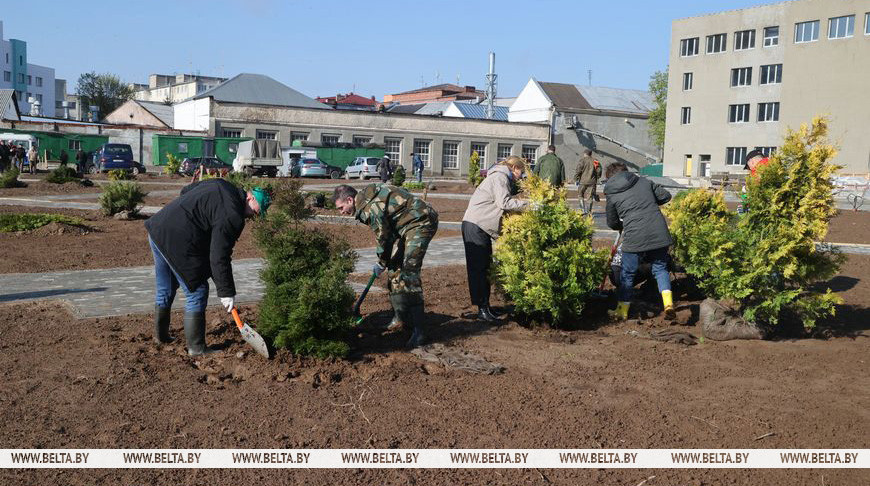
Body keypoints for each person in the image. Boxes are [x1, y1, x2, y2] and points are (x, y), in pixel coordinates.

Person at [144, 178, 271, 356]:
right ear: (250, 198)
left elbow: (186, 190)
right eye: (255, 212)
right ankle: (197, 348)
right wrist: (226, 292)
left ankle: (161, 337)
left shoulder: (222, 184)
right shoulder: (233, 214)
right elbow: (219, 255)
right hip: (178, 240)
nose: (253, 216)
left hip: (159, 228)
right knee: (197, 291)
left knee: (167, 287)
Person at [332, 182, 438, 347]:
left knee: (409, 272)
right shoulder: (367, 199)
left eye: (341, 208)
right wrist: (386, 261)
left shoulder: (370, 207)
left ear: (350, 200)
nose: (342, 212)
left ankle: (419, 331)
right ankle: (399, 318)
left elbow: (384, 236)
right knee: (394, 268)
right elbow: (389, 228)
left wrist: (381, 261)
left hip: (421, 221)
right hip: (407, 225)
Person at [603, 162, 675, 321]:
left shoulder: (611, 192)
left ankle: (622, 311)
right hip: (658, 231)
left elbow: (612, 222)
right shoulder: (644, 181)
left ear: (610, 178)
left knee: (627, 273)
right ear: (626, 172)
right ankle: (668, 304)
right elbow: (665, 196)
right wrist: (648, 203)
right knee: (660, 269)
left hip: (634, 235)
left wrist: (622, 224)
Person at [462, 156, 529, 322]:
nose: (521, 176)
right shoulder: (500, 177)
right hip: (475, 226)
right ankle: (482, 310)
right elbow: (504, 202)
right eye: (521, 172)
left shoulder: (501, 176)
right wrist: (530, 205)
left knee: (485, 267)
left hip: (479, 226)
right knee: (478, 268)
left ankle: (486, 307)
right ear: (514, 168)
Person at [574, 149, 602, 216]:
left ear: (584, 154)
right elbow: (599, 170)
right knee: (590, 197)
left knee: (580, 195)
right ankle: (589, 212)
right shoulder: (595, 160)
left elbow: (578, 170)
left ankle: (582, 210)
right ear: (591, 154)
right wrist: (597, 177)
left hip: (582, 181)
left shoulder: (582, 160)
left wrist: (576, 179)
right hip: (592, 182)